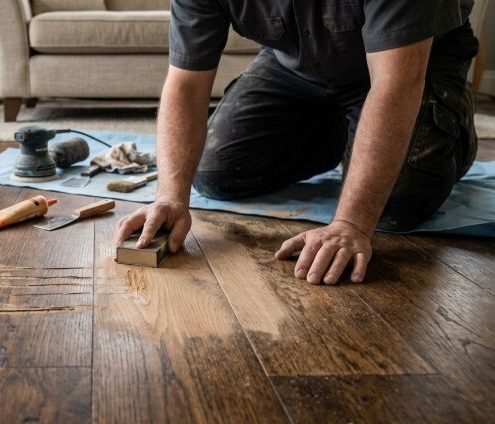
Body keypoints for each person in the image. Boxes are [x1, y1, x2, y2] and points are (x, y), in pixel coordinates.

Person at [115, 0, 479, 285]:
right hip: (297, 68)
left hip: (412, 65)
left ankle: (452, 130)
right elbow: (186, 83)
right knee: (217, 174)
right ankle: (346, 138)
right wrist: (170, 196)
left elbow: (395, 86)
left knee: (397, 204)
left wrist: (351, 224)